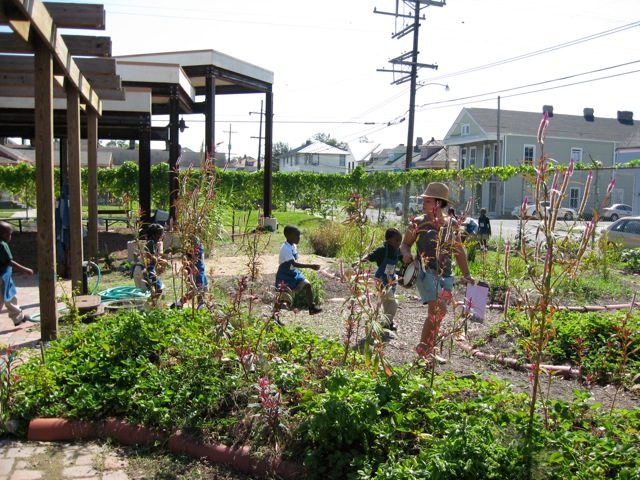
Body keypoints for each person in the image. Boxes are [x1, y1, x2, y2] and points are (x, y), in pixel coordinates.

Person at [400, 182, 474, 362]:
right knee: (438, 310)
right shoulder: (418, 222)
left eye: (427, 201)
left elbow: (458, 250)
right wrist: (406, 255)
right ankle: (425, 349)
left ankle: (426, 348)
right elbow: (405, 244)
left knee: (438, 313)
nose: (423, 204)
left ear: (438, 204)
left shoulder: (452, 224)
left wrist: (467, 274)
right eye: (424, 201)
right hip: (425, 272)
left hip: (446, 275)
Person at [353, 227, 403, 331]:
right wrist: (358, 262)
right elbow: (370, 256)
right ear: (388, 239)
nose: (398, 243)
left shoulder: (398, 251)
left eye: (400, 241)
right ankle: (386, 323)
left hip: (392, 280)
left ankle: (387, 323)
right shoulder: (382, 250)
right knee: (393, 302)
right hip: (381, 279)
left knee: (386, 303)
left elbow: (404, 260)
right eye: (396, 240)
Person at [276, 225, 322, 315]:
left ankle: (311, 307)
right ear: (288, 236)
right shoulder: (285, 248)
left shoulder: (293, 246)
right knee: (282, 299)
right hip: (284, 275)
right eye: (296, 235)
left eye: (299, 235)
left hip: (293, 273)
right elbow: (294, 263)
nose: (299, 238)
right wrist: (311, 266)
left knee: (307, 285)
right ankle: (275, 317)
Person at [0, 221, 34, 326]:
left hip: (5, 276)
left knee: (10, 296)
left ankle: (18, 318)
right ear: (4, 234)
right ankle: (18, 317)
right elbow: (9, 262)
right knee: (6, 298)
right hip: (2, 277)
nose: (10, 236)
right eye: (10, 234)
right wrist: (25, 269)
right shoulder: (2, 245)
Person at [171, 237, 209, 310]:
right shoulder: (195, 251)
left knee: (200, 289)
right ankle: (180, 303)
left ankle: (199, 304)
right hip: (197, 273)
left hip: (199, 272)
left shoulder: (198, 249)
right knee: (197, 289)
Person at [143, 223, 167, 299]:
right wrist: (162, 261)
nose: (162, 236)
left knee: (154, 289)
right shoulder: (152, 243)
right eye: (161, 234)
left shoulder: (153, 243)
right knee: (159, 288)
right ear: (155, 234)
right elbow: (152, 257)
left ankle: (154, 304)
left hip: (148, 269)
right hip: (148, 270)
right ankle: (155, 304)